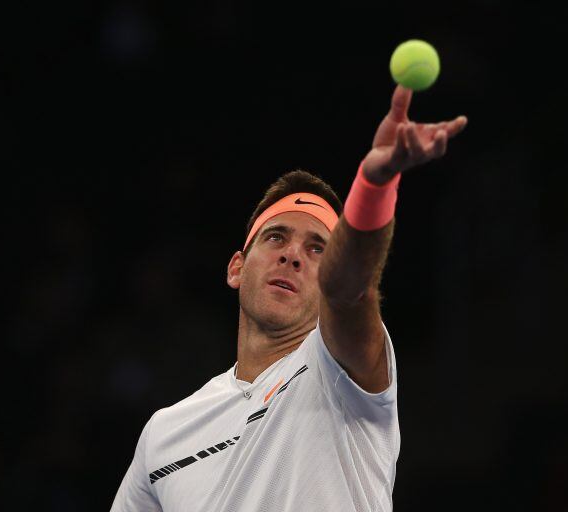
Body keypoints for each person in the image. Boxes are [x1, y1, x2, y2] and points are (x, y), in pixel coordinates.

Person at [110, 85, 467, 511]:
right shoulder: (164, 434)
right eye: (276, 237)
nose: (292, 255)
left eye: (318, 248)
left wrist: (375, 184)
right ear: (236, 267)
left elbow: (350, 289)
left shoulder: (341, 375)